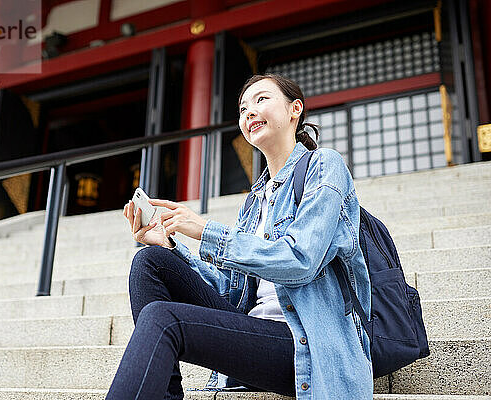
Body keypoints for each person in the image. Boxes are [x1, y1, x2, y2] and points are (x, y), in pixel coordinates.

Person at [106, 74, 373, 400]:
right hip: (257, 337)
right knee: (151, 261)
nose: (249, 112)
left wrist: (205, 230)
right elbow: (230, 293)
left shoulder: (324, 166)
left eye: (261, 100)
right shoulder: (254, 201)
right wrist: (172, 245)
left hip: (306, 343)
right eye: (243, 108)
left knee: (163, 318)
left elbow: (301, 260)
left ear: (295, 109)